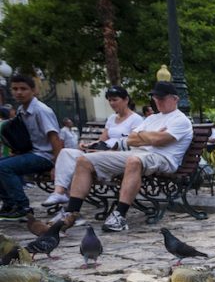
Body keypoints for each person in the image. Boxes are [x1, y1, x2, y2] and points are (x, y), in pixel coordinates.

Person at [53, 81, 193, 232]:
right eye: (155, 98)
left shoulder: (181, 120)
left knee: (134, 160)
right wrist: (150, 136)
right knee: (83, 160)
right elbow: (131, 139)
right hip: (139, 153)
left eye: (161, 98)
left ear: (175, 99)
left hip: (163, 158)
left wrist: (144, 136)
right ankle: (71, 212)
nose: (157, 101)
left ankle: (119, 215)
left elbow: (158, 141)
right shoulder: (152, 118)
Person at [43, 86, 143, 207]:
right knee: (66, 152)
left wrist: (112, 148)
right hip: (101, 152)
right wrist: (89, 145)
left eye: (115, 100)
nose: (111, 103)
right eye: (109, 100)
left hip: (118, 155)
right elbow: (102, 139)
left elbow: (134, 142)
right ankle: (59, 192)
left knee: (80, 162)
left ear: (126, 99)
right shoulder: (112, 118)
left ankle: (71, 204)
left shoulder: (136, 119)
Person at [0, 74, 61, 220]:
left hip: (45, 156)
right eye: (15, 89)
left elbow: (55, 138)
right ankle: (9, 204)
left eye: (23, 89)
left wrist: (57, 165)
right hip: (32, 153)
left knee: (4, 168)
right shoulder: (22, 110)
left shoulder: (41, 110)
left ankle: (23, 206)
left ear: (34, 91)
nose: (19, 92)